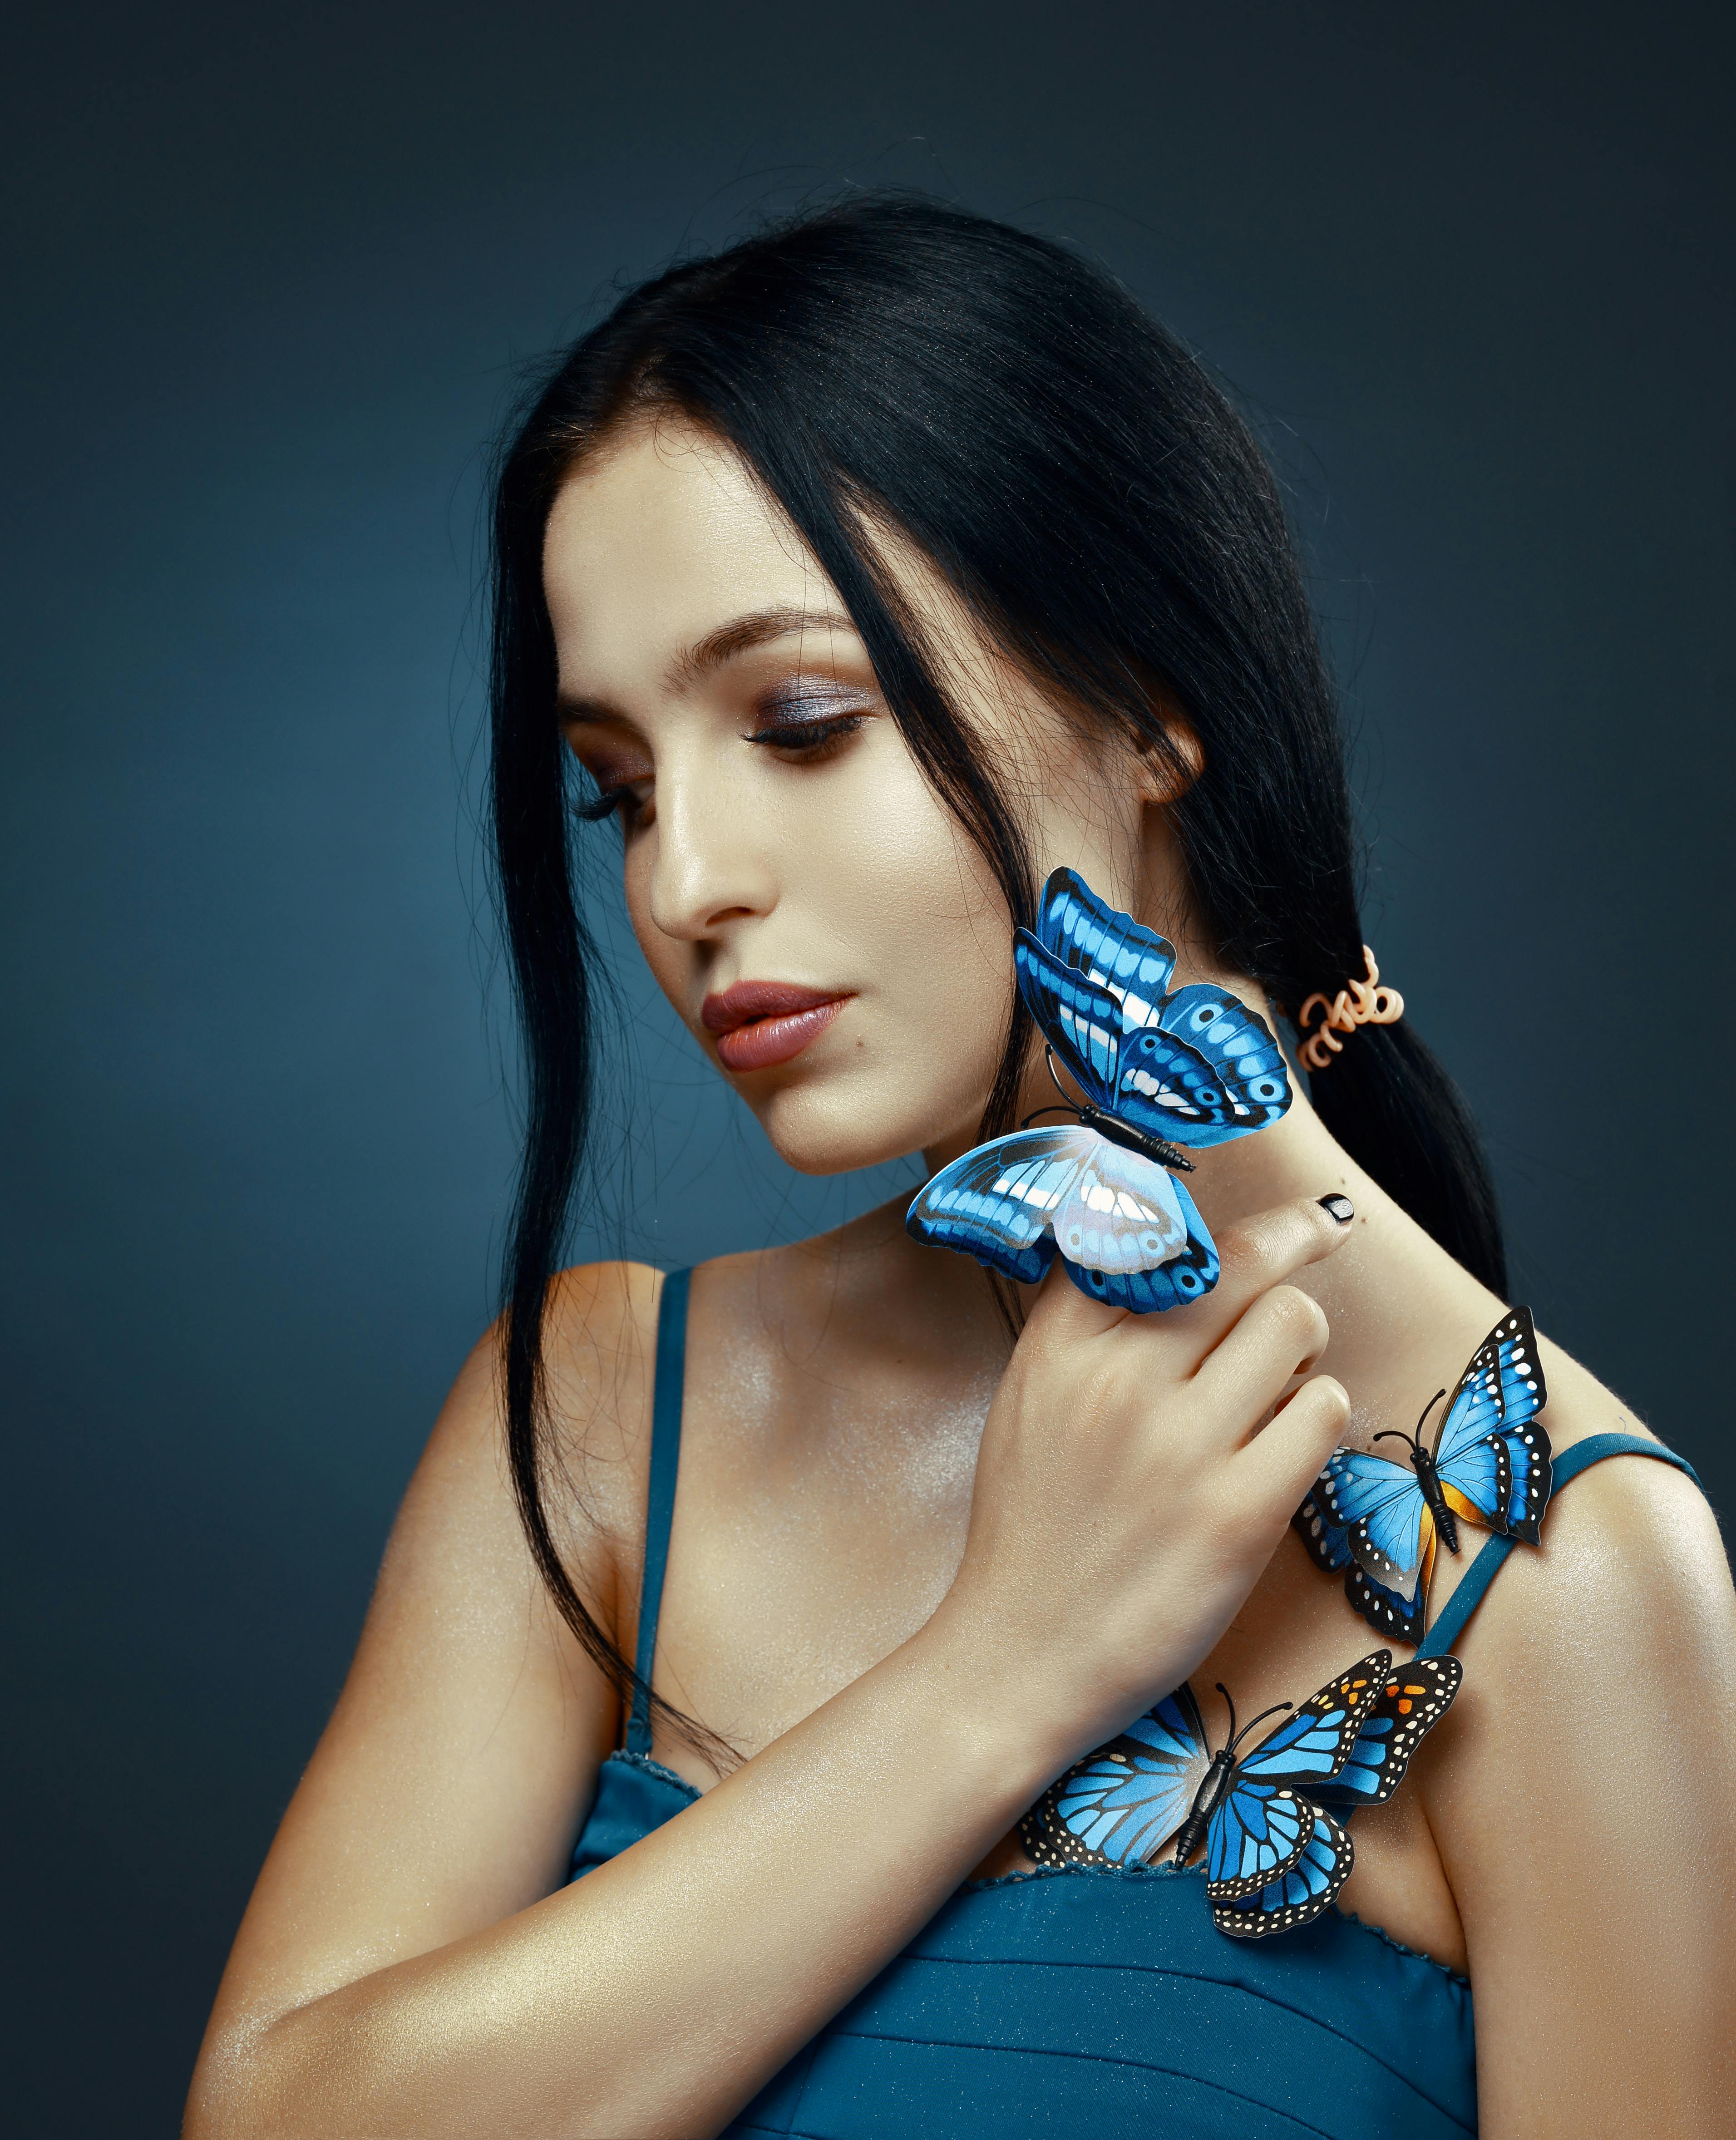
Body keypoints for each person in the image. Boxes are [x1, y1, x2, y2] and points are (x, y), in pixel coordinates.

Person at [185, 199, 1734, 2139]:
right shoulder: (607, 1412)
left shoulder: (1560, 1577)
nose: (681, 886)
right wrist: (1006, 1663)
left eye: (802, 724)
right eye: (623, 787)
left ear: (1151, 696)